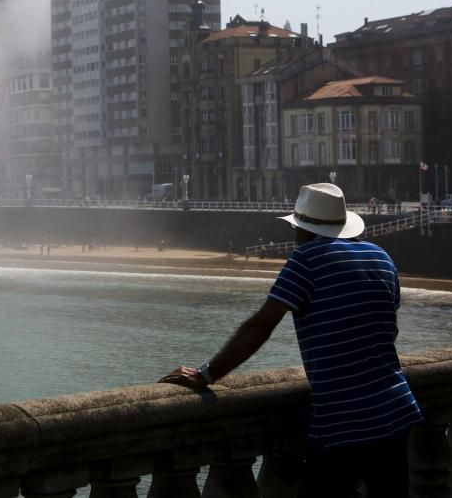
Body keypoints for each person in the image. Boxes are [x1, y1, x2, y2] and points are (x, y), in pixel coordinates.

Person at [159, 183, 422, 497]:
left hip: (343, 420)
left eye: (297, 228)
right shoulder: (381, 257)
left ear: (306, 231)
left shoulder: (306, 261)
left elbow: (259, 327)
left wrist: (207, 373)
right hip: (396, 409)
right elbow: (386, 330)